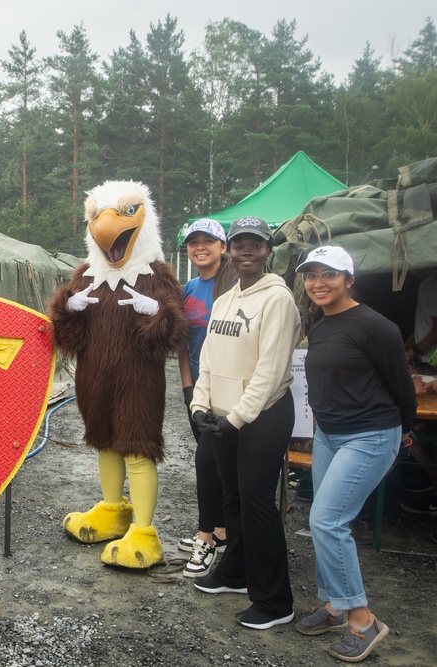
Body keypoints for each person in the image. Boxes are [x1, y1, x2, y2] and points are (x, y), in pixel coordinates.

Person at [293, 246, 415, 662]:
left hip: (371, 435)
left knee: (327, 521)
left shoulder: (376, 327)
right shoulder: (320, 321)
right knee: (326, 522)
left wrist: (406, 431)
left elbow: (401, 386)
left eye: (329, 274)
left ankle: (363, 619)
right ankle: (334, 604)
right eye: (311, 275)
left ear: (350, 279)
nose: (318, 282)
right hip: (330, 434)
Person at [190, 216, 301, 630]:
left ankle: (275, 601)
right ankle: (235, 572)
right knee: (231, 496)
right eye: (239, 245)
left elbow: (270, 372)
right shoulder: (223, 301)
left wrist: (236, 418)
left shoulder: (278, 300)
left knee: (256, 502)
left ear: (268, 250)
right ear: (230, 251)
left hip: (263, 414)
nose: (246, 252)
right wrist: (201, 405)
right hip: (223, 417)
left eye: (255, 244)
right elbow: (209, 360)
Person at [176, 218, 236, 578]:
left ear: (223, 246)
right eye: (193, 242)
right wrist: (187, 389)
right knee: (213, 464)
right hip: (196, 390)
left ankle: (208, 537)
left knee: (208, 464)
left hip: (225, 393)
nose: (200, 247)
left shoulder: (235, 286)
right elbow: (184, 345)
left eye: (208, 241)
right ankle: (221, 530)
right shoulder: (189, 288)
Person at [404, 269, 437, 366]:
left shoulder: (434, 285)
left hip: (432, 362)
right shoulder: (425, 284)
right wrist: (401, 349)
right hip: (423, 359)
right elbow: (422, 329)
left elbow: (436, 331)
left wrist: (411, 353)